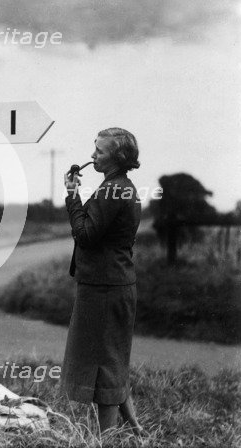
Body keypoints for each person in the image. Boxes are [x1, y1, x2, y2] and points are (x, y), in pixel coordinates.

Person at [61, 127, 144, 436]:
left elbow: (85, 235)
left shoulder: (111, 190)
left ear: (118, 157)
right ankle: (137, 431)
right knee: (112, 361)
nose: (92, 155)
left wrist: (72, 197)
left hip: (103, 288)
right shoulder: (123, 187)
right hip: (115, 285)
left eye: (99, 151)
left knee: (105, 368)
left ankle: (105, 441)